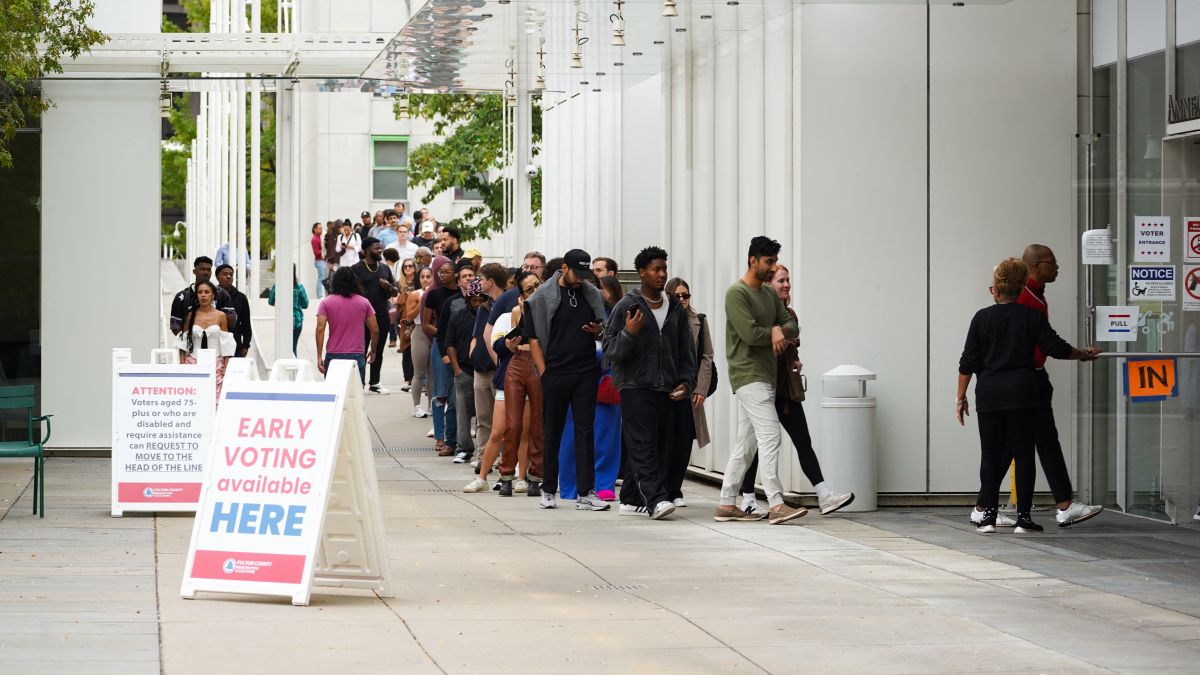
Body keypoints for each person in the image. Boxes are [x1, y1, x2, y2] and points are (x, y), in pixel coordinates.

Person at [958, 257, 1100, 533]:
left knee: (990, 455)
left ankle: (987, 517)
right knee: (1023, 455)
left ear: (996, 290)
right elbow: (1055, 347)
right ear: (1022, 287)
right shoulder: (1031, 317)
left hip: (989, 394)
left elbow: (967, 362)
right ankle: (1023, 518)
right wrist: (1083, 354)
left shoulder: (981, 317)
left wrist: (960, 397)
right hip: (1023, 392)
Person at [733, 265, 855, 517]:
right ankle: (747, 499)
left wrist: (794, 359)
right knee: (753, 445)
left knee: (802, 440)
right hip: (761, 387)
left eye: (788, 280)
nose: (787, 284)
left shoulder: (790, 315)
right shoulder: (759, 316)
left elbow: (791, 346)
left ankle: (825, 495)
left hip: (785, 391)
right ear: (768, 285)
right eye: (781, 281)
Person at [715, 236, 806, 525]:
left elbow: (792, 323)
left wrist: (779, 328)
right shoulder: (736, 293)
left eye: (774, 261)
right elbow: (750, 334)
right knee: (771, 436)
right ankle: (777, 503)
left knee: (746, 444)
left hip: (765, 375)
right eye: (769, 262)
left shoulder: (768, 294)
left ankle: (726, 503)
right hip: (747, 374)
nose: (773, 267)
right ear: (753, 261)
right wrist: (775, 333)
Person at [603, 247, 696, 520]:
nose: (661, 274)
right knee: (644, 444)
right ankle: (656, 499)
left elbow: (685, 349)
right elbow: (610, 351)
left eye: (663, 269)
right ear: (642, 272)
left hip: (666, 387)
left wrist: (686, 382)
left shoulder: (674, 307)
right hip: (635, 386)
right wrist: (629, 334)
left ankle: (631, 498)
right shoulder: (627, 306)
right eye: (656, 269)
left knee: (661, 444)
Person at [523, 249, 609, 511]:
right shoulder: (540, 298)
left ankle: (586, 492)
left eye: (586, 274)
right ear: (564, 268)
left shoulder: (591, 293)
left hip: (585, 371)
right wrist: (544, 372)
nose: (582, 279)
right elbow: (534, 338)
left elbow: (605, 328)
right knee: (553, 432)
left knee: (585, 431)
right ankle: (548, 489)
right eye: (578, 273)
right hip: (555, 372)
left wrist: (599, 331)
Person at [496, 271, 545, 497]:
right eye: (529, 289)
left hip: (539, 364)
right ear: (521, 294)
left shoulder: (549, 307)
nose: (535, 291)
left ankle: (536, 476)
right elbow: (515, 345)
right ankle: (506, 475)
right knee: (513, 423)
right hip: (517, 365)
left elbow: (547, 343)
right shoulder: (517, 310)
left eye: (538, 285)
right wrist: (512, 345)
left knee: (537, 423)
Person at [663, 277, 711, 508]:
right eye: (677, 296)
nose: (682, 299)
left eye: (686, 295)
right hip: (666, 389)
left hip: (690, 390)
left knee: (684, 441)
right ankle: (663, 488)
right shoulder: (661, 320)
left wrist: (701, 387)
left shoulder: (699, 321)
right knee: (666, 441)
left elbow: (707, 357)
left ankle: (675, 489)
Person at [446, 278, 488, 463]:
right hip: (463, 371)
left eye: (481, 300)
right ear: (468, 300)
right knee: (462, 412)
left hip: (484, 370)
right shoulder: (458, 317)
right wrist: (456, 369)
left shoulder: (489, 316)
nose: (478, 304)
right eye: (474, 300)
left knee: (484, 415)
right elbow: (450, 344)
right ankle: (464, 448)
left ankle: (483, 451)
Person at [470, 263, 510, 458]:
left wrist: (500, 363)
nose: (479, 283)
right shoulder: (484, 306)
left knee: (502, 418)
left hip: (500, 369)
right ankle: (483, 455)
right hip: (481, 367)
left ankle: (502, 456)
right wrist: (472, 353)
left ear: (491, 281)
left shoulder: (509, 304)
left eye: (482, 279)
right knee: (483, 417)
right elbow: (477, 334)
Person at [421, 256, 459, 455]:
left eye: (447, 272)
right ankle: (440, 435)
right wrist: (444, 333)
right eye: (440, 272)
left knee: (457, 391)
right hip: (440, 344)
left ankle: (456, 435)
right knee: (441, 391)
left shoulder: (464, 293)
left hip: (459, 345)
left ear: (456, 274)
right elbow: (426, 322)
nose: (442, 276)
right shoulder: (433, 294)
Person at [175, 279, 235, 401]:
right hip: (193, 361)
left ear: (213, 295)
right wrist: (182, 364)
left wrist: (225, 366)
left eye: (207, 292)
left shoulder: (221, 316)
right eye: (200, 292)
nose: (203, 295)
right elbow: (183, 341)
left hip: (216, 363)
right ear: (196, 295)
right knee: (193, 397)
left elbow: (226, 343)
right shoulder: (191, 315)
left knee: (215, 398)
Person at [315, 267, 378, 385]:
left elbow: (320, 329)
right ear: (355, 282)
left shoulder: (326, 302)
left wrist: (319, 356)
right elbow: (374, 329)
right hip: (357, 354)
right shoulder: (364, 302)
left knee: (333, 393)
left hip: (333, 354)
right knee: (355, 394)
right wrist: (373, 350)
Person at [350, 237, 396, 394]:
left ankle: (375, 382)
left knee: (378, 349)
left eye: (380, 247)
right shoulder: (356, 269)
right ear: (366, 250)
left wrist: (388, 286)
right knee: (361, 351)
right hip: (362, 317)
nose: (380, 250)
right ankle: (359, 383)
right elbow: (349, 292)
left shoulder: (384, 268)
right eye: (376, 248)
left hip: (381, 314)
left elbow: (395, 291)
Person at [170, 255, 235, 335]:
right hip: (191, 345)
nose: (206, 272)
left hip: (215, 343)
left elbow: (232, 322)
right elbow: (175, 326)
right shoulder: (182, 296)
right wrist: (186, 342)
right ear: (194, 271)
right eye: (202, 269)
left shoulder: (221, 293)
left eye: (208, 270)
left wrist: (212, 313)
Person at [408, 265, 435, 418]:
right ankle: (416, 406)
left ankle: (432, 404)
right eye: (422, 277)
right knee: (419, 373)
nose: (425, 280)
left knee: (433, 373)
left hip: (432, 333)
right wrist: (421, 302)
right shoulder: (415, 294)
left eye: (428, 277)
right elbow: (408, 317)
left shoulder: (436, 293)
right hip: (419, 332)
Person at [268, 265, 309, 356]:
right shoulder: (299, 287)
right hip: (297, 321)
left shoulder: (277, 286)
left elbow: (270, 301)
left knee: (282, 349)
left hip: (282, 322)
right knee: (293, 348)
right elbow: (305, 304)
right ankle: (294, 368)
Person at [214, 264, 252, 358]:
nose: (229, 277)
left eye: (231, 274)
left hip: (236, 345)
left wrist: (246, 345)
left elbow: (246, 323)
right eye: (225, 274)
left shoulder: (241, 297)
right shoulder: (211, 295)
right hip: (214, 345)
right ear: (217, 277)